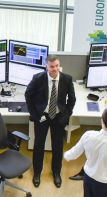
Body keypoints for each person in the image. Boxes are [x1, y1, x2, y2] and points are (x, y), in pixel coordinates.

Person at [24, 54, 75, 188]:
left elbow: (72, 100)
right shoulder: (38, 78)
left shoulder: (67, 79)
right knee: (39, 145)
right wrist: (35, 115)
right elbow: (28, 95)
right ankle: (37, 172)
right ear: (46, 67)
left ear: (59, 65)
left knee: (58, 146)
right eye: (52, 67)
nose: (55, 69)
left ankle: (56, 172)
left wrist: (66, 116)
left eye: (57, 66)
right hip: (42, 116)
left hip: (58, 116)